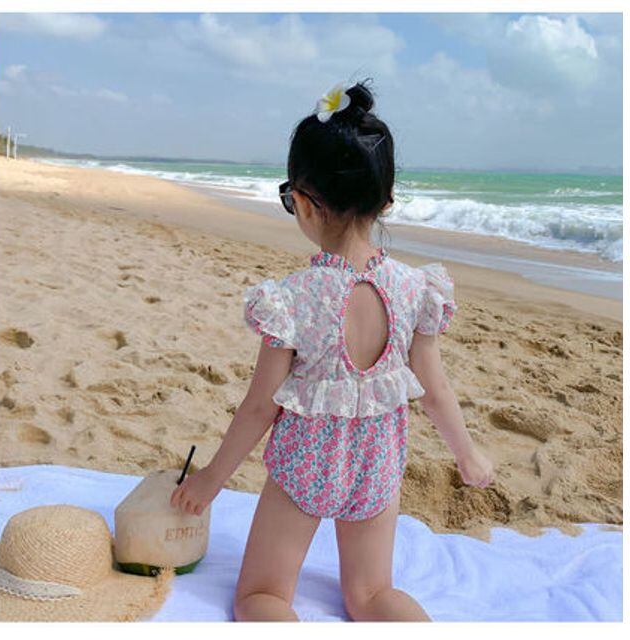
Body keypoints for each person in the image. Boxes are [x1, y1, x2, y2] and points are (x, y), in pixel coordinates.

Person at [171, 78, 494, 622]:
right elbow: (435, 389)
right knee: (372, 596)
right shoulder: (417, 289)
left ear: (302, 202)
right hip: (377, 467)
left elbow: (260, 406)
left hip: (306, 467)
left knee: (262, 596)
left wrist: (211, 479)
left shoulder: (292, 298)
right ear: (385, 201)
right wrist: (467, 455)